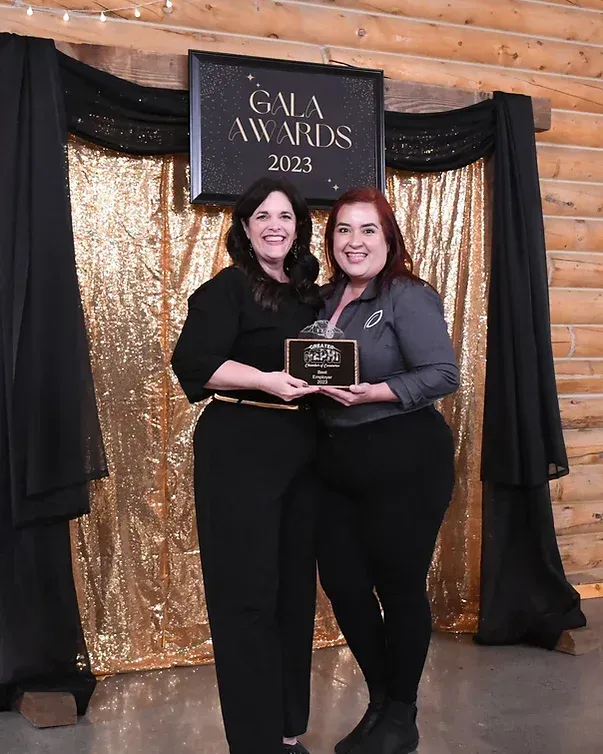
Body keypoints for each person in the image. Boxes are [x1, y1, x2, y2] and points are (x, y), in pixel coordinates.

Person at [171, 177, 321, 754]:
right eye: (262, 215)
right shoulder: (225, 290)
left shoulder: (313, 294)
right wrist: (264, 379)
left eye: (285, 215)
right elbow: (193, 362)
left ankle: (285, 730)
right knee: (247, 596)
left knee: (292, 595)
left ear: (299, 227)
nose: (274, 225)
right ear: (244, 227)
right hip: (239, 447)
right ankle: (255, 744)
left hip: (306, 451)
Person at [315, 187, 459, 754]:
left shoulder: (406, 295)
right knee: (345, 586)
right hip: (336, 462)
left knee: (397, 587)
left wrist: (377, 391)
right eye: (343, 230)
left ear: (389, 237)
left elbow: (444, 374)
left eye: (368, 230)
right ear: (330, 241)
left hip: (404, 458)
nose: (355, 241)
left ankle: (402, 713)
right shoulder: (325, 299)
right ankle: (381, 698)